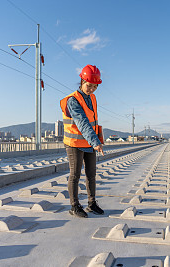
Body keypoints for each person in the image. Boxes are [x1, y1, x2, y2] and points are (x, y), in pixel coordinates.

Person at [60, 64, 105, 218]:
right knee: (75, 175)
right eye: (89, 85)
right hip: (74, 144)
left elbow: (93, 120)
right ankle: (74, 206)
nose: (92, 89)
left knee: (91, 174)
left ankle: (92, 204)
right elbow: (83, 122)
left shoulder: (92, 98)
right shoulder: (73, 100)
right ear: (82, 81)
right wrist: (95, 142)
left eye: (95, 86)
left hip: (89, 143)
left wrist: (97, 139)